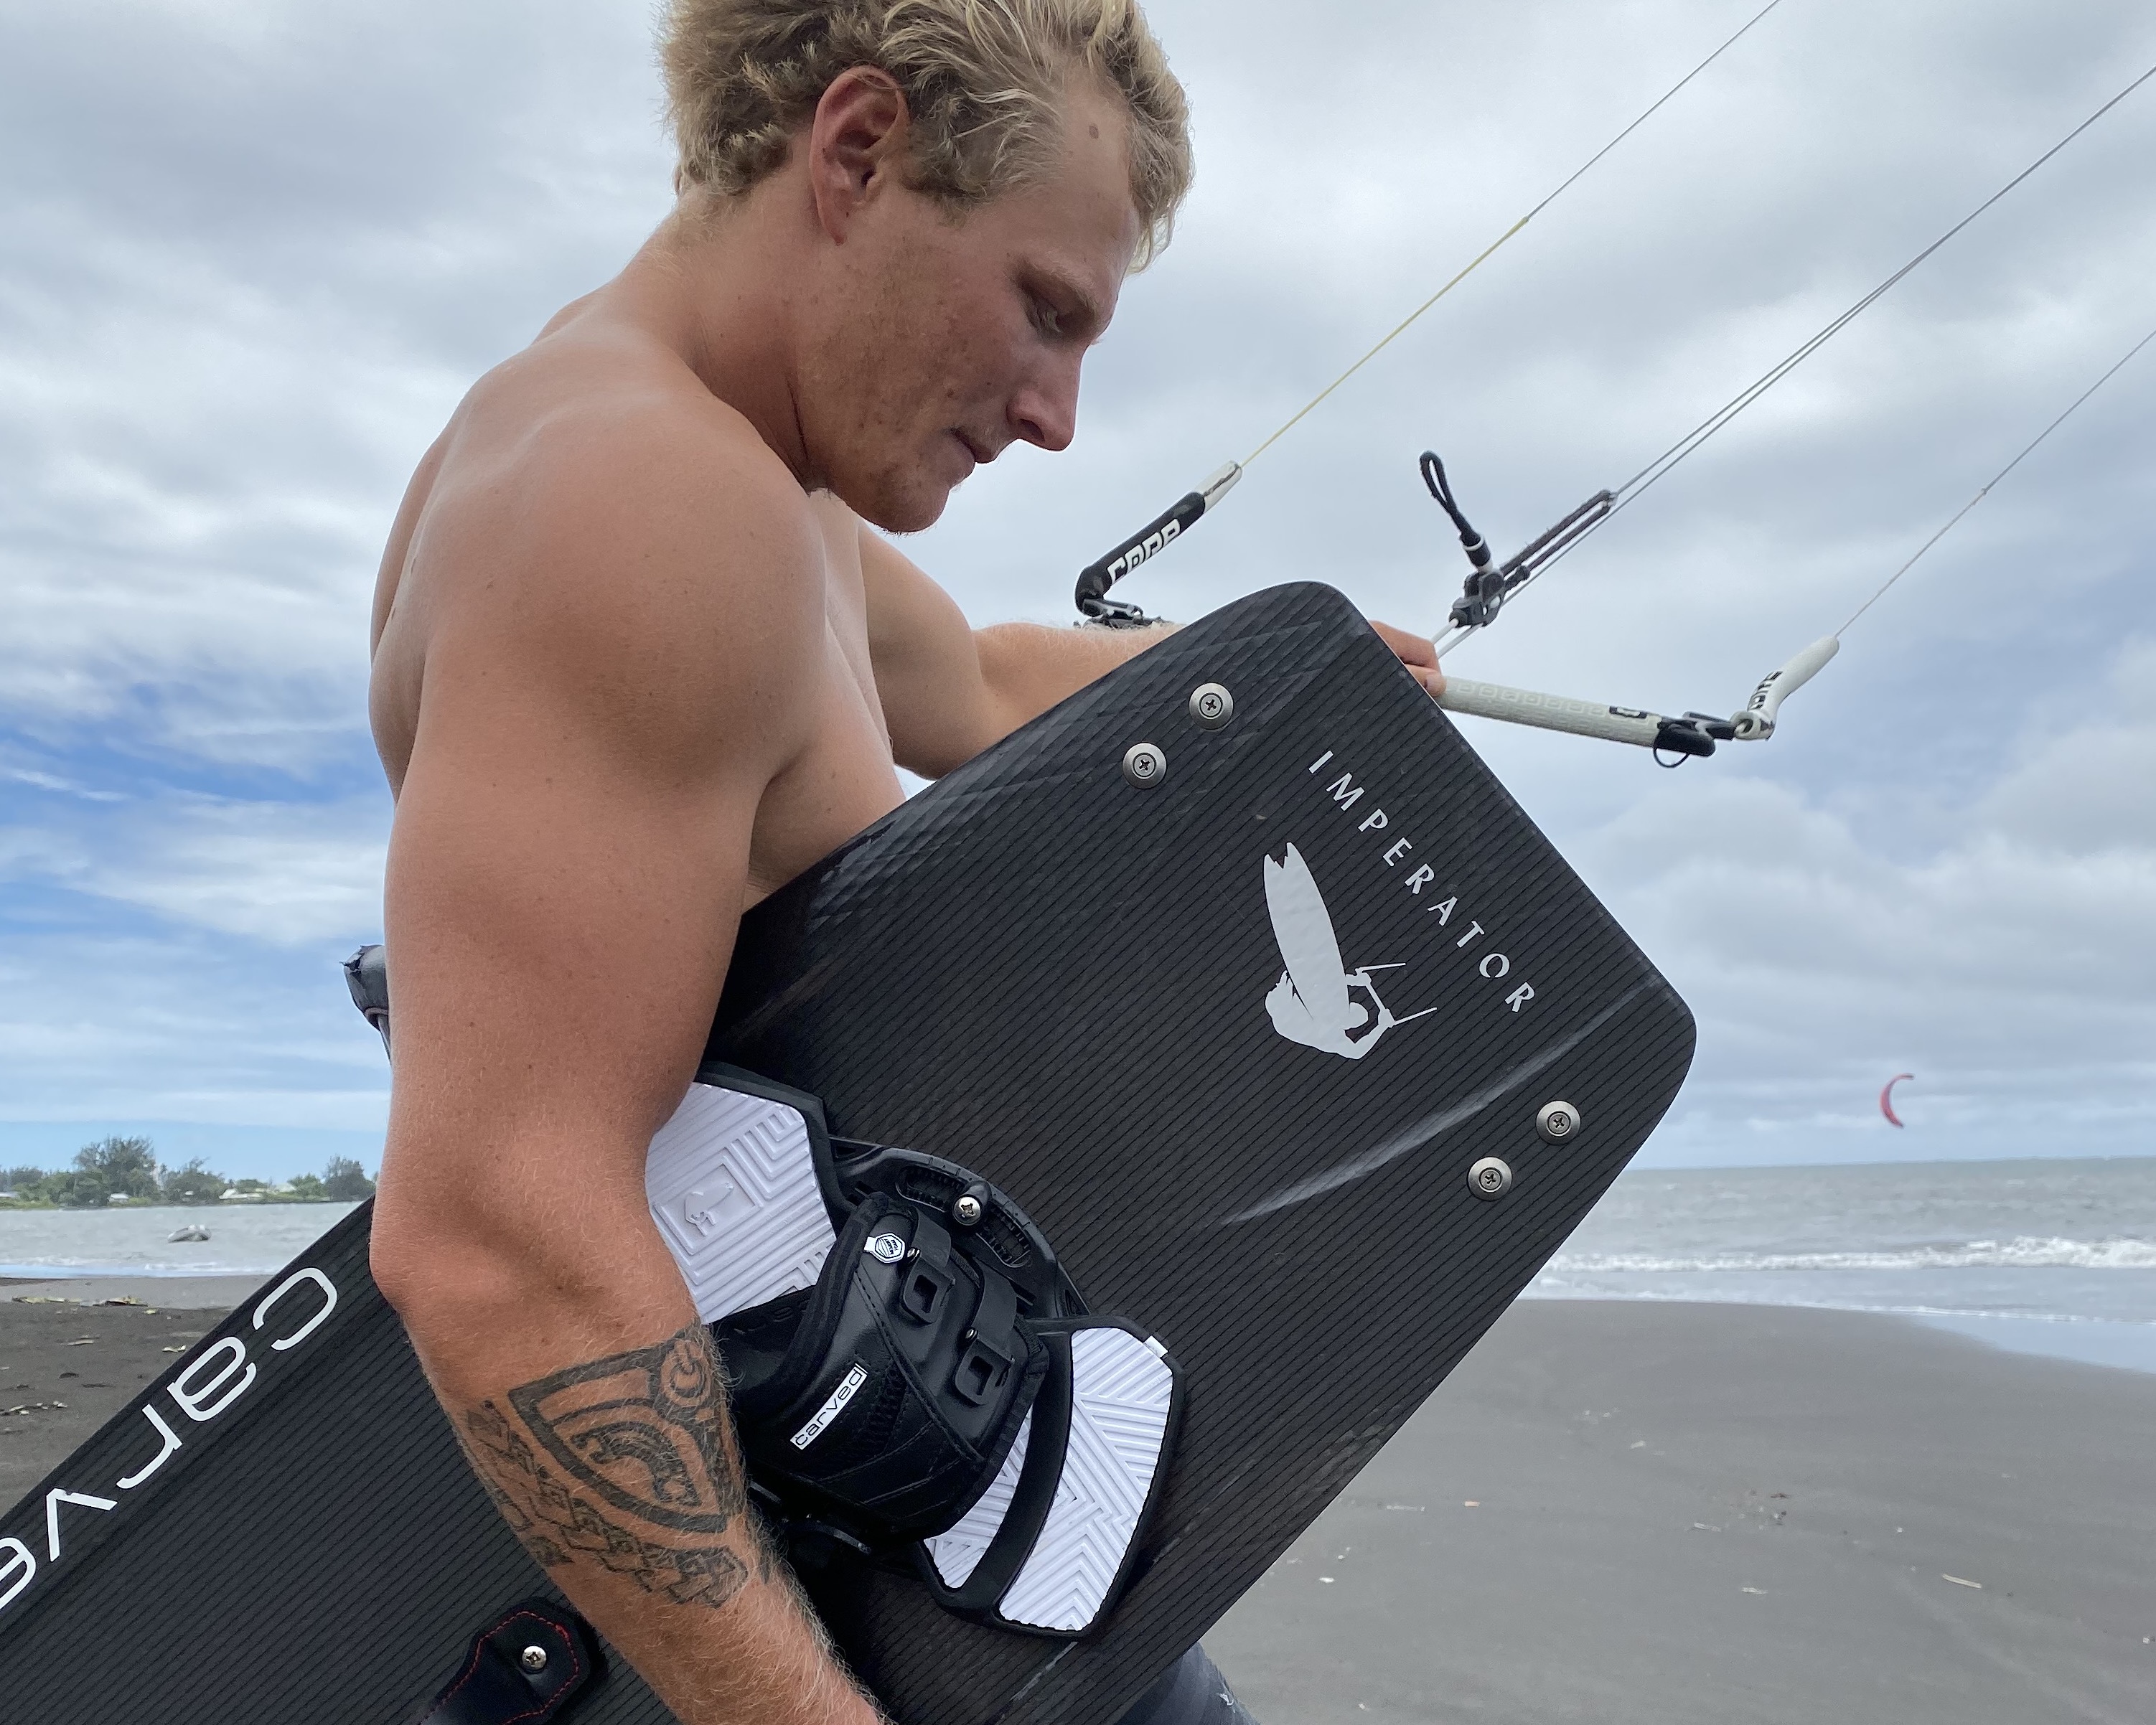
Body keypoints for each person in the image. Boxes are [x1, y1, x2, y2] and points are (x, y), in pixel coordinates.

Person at [366, 3, 1443, 1721]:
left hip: (905, 1474)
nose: (1056, 413)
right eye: (1044, 309)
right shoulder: (640, 498)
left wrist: (1278, 663)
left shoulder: (744, 481)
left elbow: (982, 689)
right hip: (787, 1548)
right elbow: (495, 1242)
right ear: (857, 153)